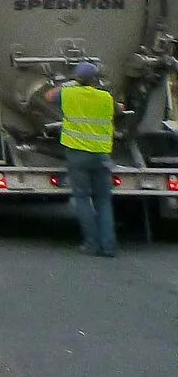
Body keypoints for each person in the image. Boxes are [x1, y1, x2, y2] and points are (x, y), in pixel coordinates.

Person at [48, 61, 118, 257]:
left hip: (77, 154)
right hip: (102, 155)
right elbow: (119, 110)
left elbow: (48, 97)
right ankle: (109, 246)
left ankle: (91, 244)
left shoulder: (69, 93)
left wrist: (65, 84)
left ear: (77, 79)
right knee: (103, 200)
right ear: (96, 79)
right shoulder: (106, 97)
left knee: (82, 198)